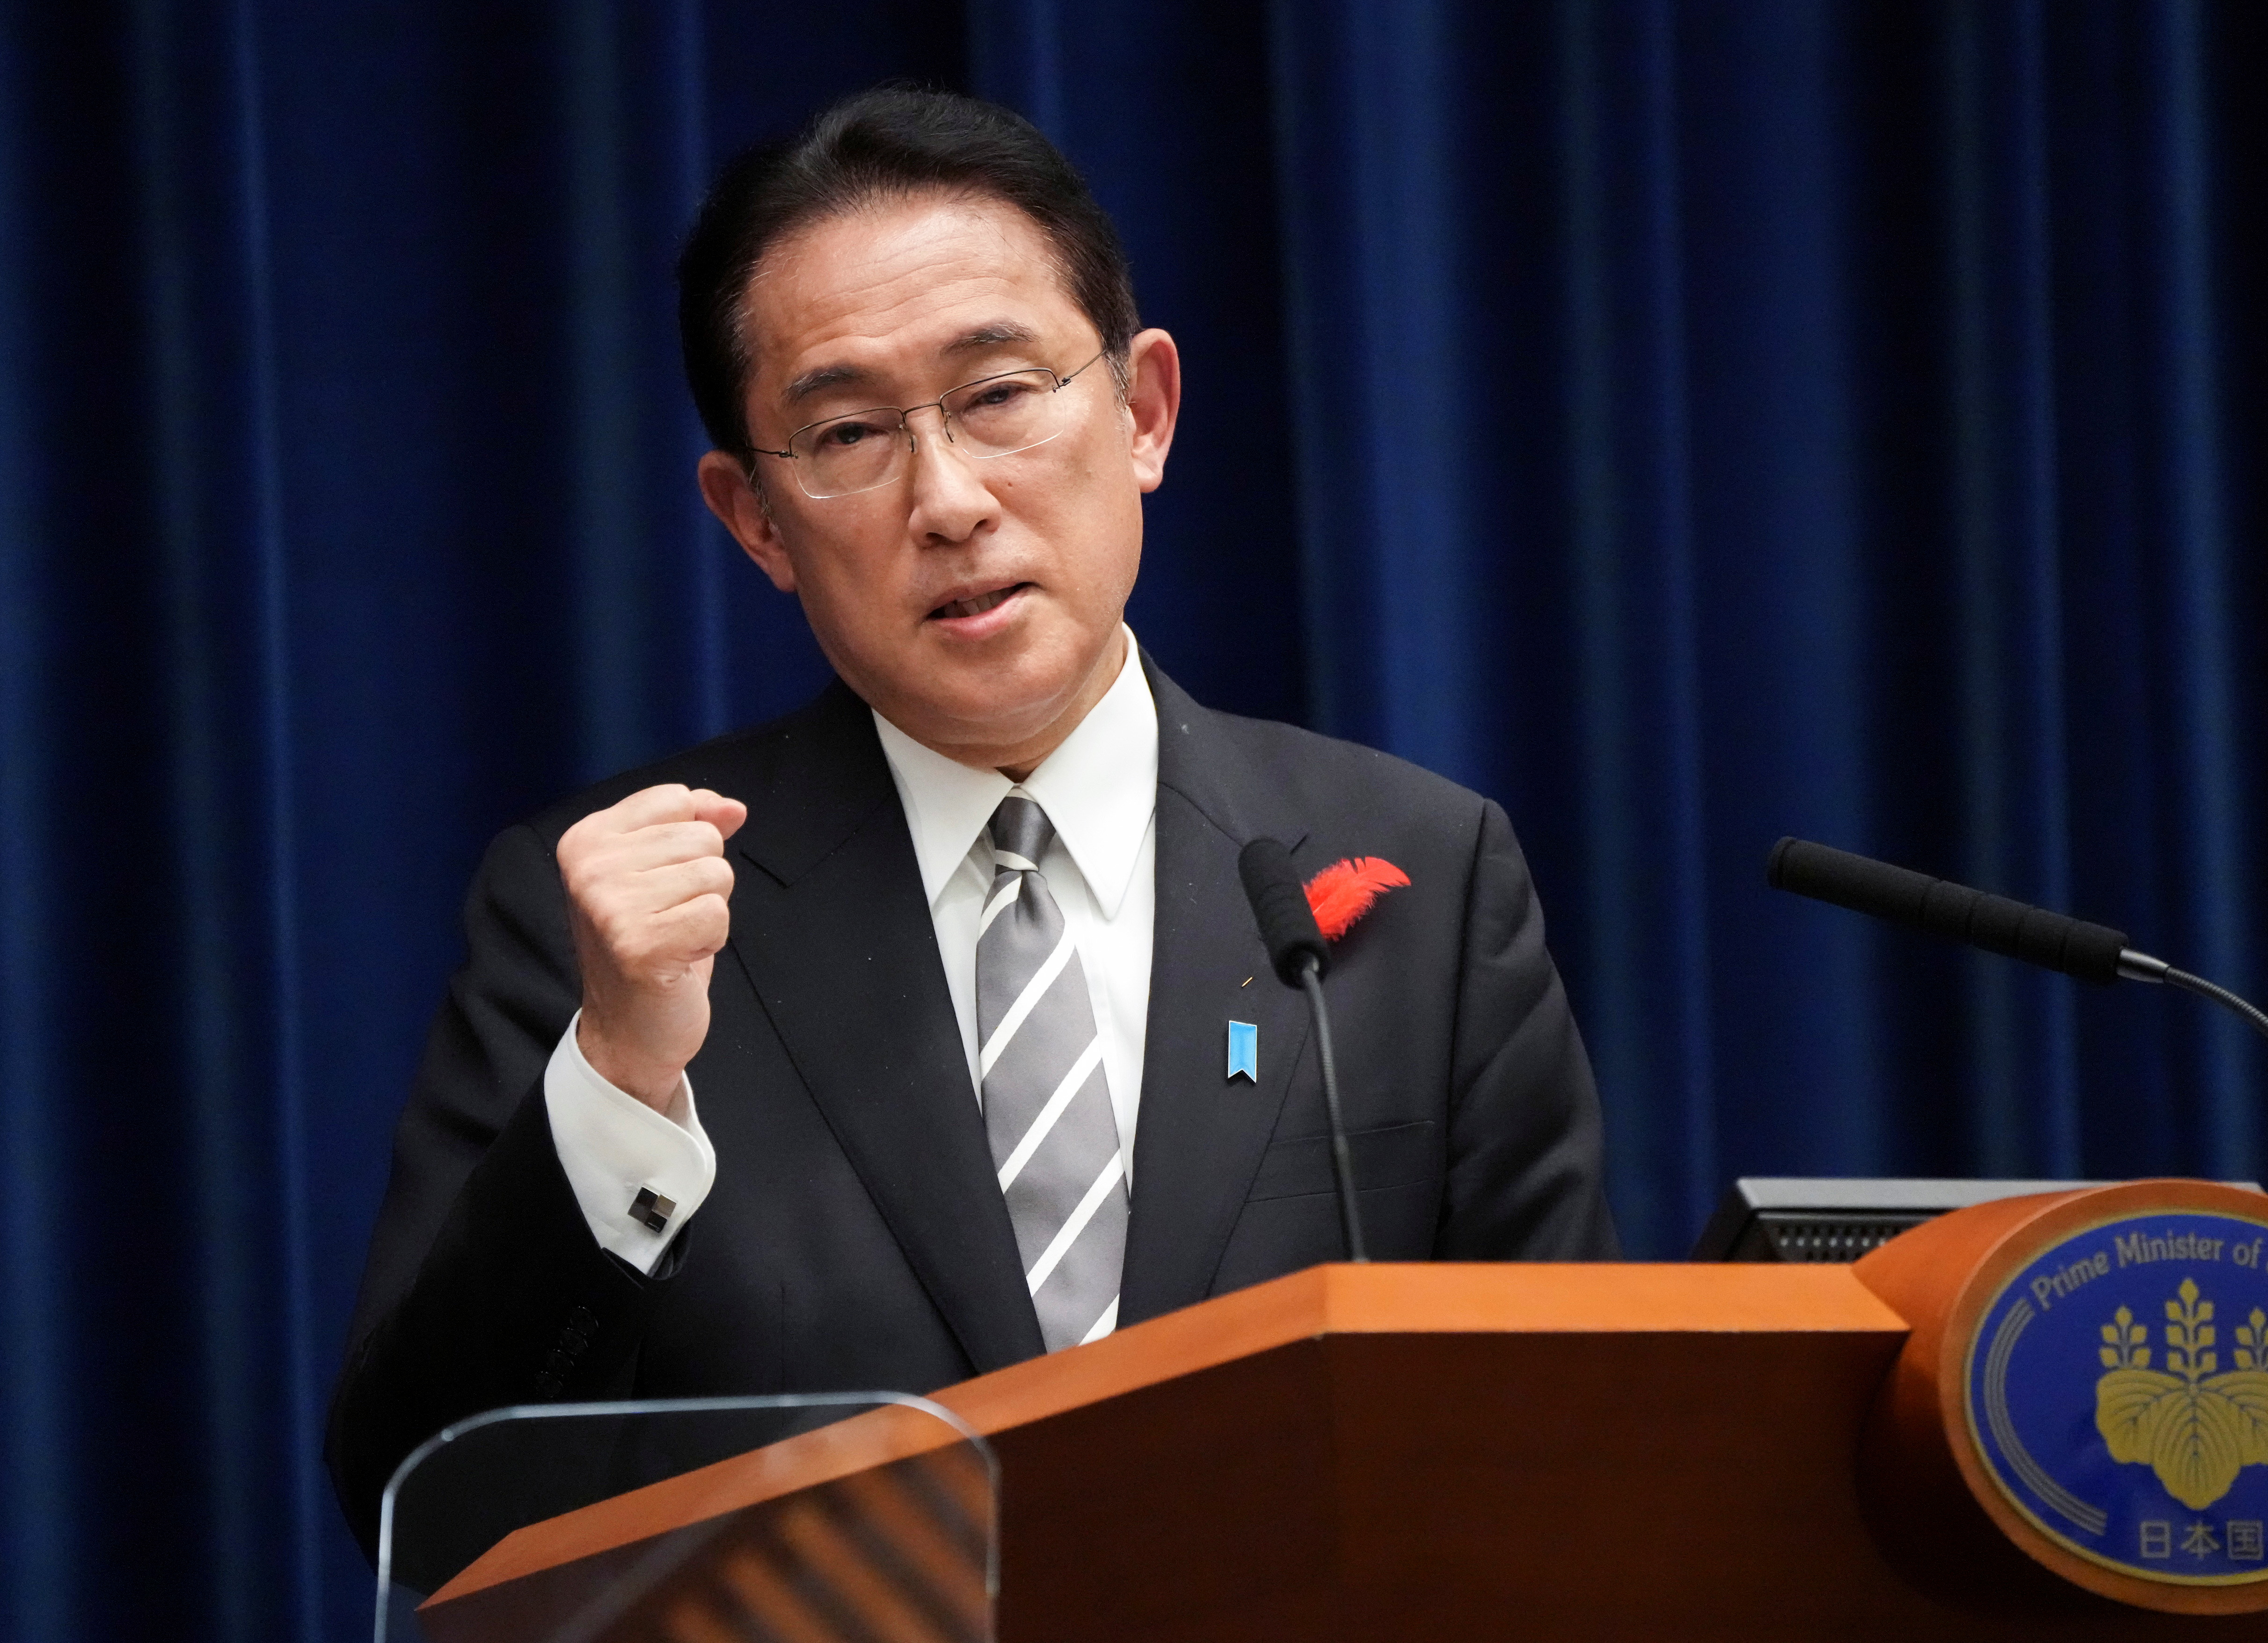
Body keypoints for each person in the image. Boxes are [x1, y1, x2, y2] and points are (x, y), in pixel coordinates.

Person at [326, 86, 1618, 1553]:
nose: (947, 500)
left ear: (1140, 412)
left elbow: (1559, 1458)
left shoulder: (1422, 877)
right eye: (851, 432)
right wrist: (623, 1079)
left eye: (999, 395)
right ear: (755, 521)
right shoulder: (621, 921)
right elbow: (429, 1504)